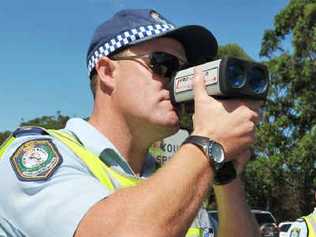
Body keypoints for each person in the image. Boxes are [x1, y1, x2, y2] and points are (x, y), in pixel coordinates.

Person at [0, 9, 261, 237]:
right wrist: (208, 141)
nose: (178, 84)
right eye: (163, 66)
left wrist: (224, 172)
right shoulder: (36, 155)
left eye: (184, 72)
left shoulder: (179, 176)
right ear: (107, 72)